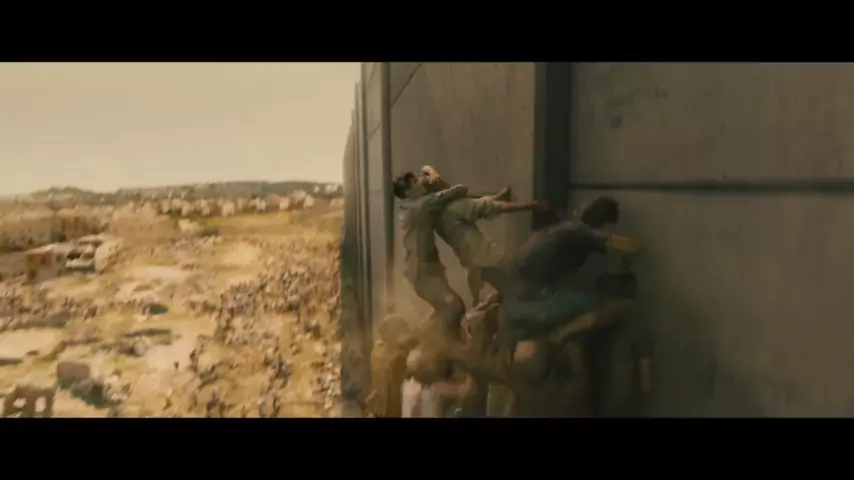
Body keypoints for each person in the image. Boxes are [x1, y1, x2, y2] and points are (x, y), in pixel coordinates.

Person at [499, 196, 641, 348]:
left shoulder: (565, 228)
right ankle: (559, 336)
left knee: (581, 297)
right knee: (614, 305)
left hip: (514, 301)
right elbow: (634, 247)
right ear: (607, 225)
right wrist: (624, 265)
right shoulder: (582, 232)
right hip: (529, 305)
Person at [418, 165, 550, 304]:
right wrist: (532, 205)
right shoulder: (456, 207)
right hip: (489, 260)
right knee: (521, 289)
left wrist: (497, 197)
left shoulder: (436, 217)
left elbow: (478, 203)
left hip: (473, 265)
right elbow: (494, 207)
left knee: (506, 292)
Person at [393, 172, 469, 337]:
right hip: (423, 273)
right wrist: (432, 179)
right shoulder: (419, 207)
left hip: (428, 270)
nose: (419, 183)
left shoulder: (410, 206)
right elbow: (460, 189)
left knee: (446, 309)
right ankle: (434, 342)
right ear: (408, 192)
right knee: (454, 306)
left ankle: (426, 339)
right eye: (415, 182)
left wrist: (429, 178)